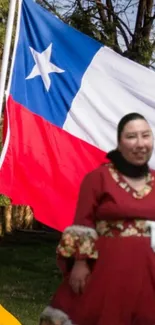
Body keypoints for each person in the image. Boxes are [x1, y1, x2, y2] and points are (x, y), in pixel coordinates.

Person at [39, 113, 155, 325]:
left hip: (149, 270)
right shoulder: (98, 179)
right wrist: (80, 264)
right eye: (132, 136)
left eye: (145, 135)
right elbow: (82, 222)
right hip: (106, 267)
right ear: (120, 141)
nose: (140, 143)